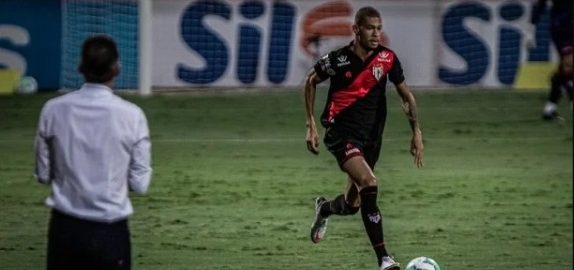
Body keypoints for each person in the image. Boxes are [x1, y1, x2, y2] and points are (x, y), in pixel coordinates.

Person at [304, 6, 424, 270]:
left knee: (352, 204)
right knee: (369, 183)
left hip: (370, 139)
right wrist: (311, 123)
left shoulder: (387, 59)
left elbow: (406, 97)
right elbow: (311, 80)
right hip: (340, 133)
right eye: (370, 28)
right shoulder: (338, 60)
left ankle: (324, 209)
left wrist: (416, 131)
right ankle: (384, 259)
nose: (376, 33)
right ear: (356, 30)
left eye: (379, 28)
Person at [34, 35, 152, 270]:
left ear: (81, 68)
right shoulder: (132, 115)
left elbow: (44, 174)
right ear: (116, 68)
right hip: (110, 231)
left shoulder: (53, 109)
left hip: (65, 229)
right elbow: (140, 184)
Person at [529, 0, 573, 120]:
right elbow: (540, 4)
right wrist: (531, 29)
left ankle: (549, 110)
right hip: (561, 27)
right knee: (569, 64)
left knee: (563, 70)